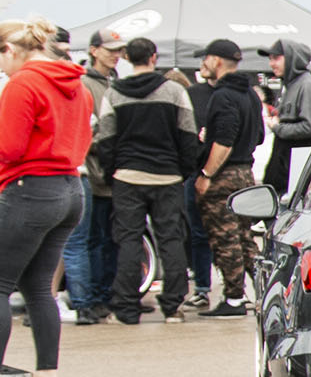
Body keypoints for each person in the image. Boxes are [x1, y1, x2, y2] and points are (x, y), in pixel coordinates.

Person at [0, 19, 94, 377]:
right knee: (40, 288)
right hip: (70, 188)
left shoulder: (24, 82)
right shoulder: (76, 82)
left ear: (11, 49)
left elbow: (7, 147)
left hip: (29, 189)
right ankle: (46, 374)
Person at [91, 34, 199, 324]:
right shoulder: (174, 91)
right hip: (167, 177)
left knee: (128, 240)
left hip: (127, 176)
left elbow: (106, 138)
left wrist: (111, 172)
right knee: (171, 239)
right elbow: (188, 135)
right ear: (154, 58)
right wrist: (183, 170)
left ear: (127, 58)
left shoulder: (113, 94)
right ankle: (173, 305)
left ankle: (125, 307)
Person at [190, 38, 268, 316]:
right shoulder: (249, 95)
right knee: (245, 237)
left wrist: (206, 174)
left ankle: (234, 298)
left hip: (224, 174)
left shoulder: (223, 96)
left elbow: (224, 140)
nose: (202, 65)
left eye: (205, 59)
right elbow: (259, 136)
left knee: (225, 238)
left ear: (217, 61)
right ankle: (266, 289)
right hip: (246, 173)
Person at [65, 28, 120, 321]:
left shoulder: (114, 82)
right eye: (111, 49)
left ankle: (101, 297)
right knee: (91, 241)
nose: (116, 54)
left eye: (119, 49)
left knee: (108, 240)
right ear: (94, 50)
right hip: (95, 173)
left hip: (113, 175)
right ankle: (90, 300)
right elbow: (88, 131)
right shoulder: (85, 84)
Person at [263, 39, 311, 194]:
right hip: (286, 178)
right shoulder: (291, 85)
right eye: (270, 59)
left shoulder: (307, 85)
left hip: (297, 180)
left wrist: (277, 127)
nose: (272, 63)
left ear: (292, 58)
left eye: (276, 58)